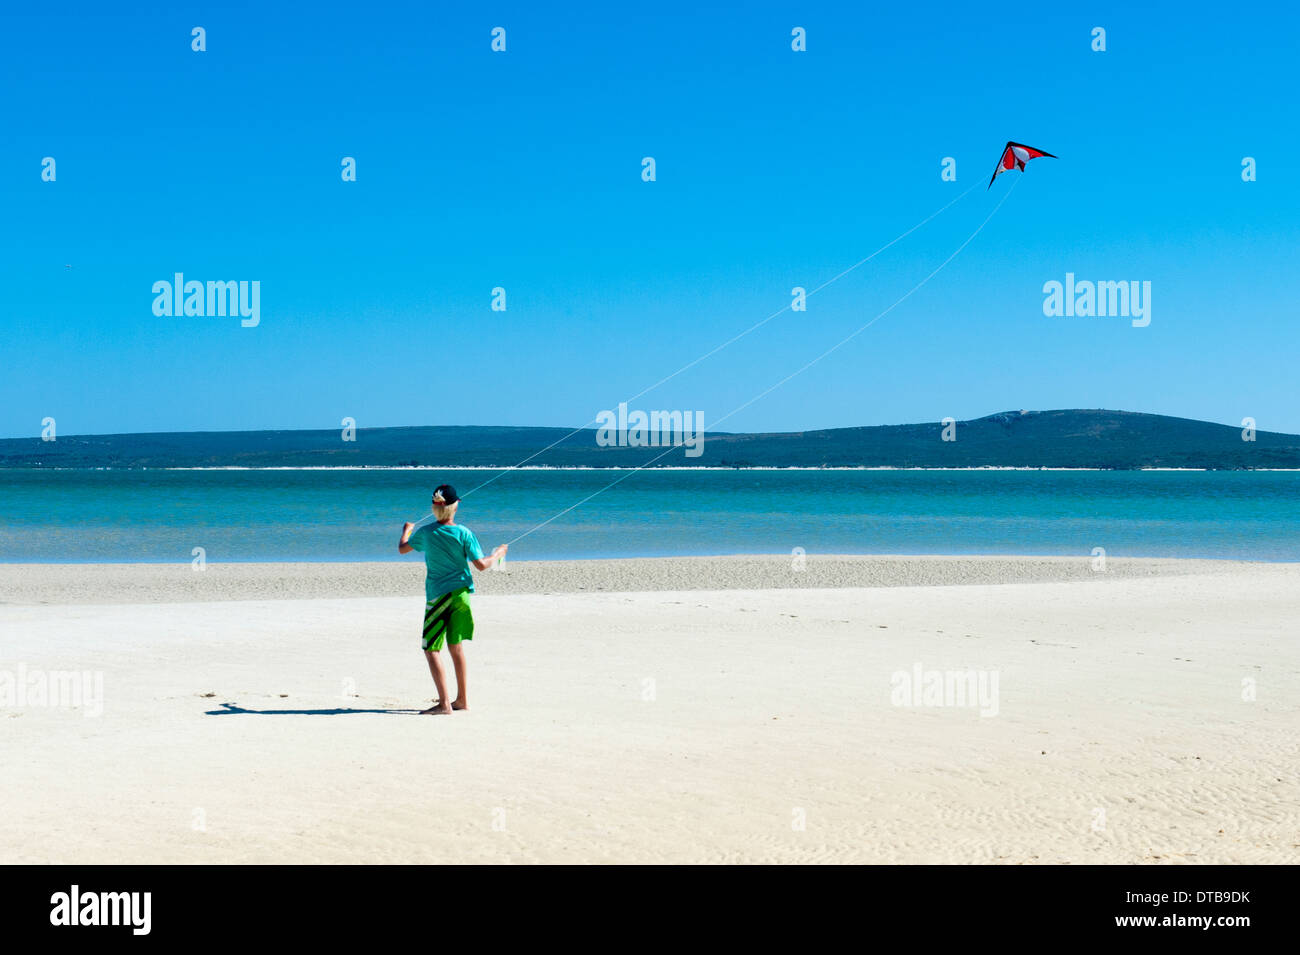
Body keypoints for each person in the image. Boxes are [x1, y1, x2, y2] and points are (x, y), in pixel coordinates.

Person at [398, 484, 507, 714]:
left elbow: (403, 549)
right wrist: (497, 555)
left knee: (431, 649)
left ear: (435, 508)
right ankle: (462, 700)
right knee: (455, 647)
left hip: (439, 596)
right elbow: (481, 565)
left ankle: (445, 703)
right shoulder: (464, 533)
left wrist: (406, 530)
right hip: (462, 595)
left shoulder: (426, 532)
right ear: (455, 506)